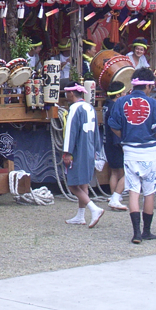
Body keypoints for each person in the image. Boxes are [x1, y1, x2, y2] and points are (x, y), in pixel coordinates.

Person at [108, 68, 156, 244]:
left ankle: (136, 232)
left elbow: (113, 125)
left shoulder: (121, 102)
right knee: (149, 192)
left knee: (133, 190)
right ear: (147, 86)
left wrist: (124, 136)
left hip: (130, 150)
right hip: (149, 150)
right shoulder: (153, 103)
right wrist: (152, 137)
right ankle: (147, 231)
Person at [61, 83, 105, 228]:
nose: (66, 95)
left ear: (72, 94)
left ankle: (94, 209)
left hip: (78, 150)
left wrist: (67, 152)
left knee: (73, 184)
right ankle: (80, 216)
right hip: (90, 149)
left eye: (67, 93)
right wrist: (96, 150)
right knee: (83, 183)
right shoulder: (90, 107)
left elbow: (70, 132)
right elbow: (96, 131)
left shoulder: (74, 108)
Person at [103, 81, 129, 211]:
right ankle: (115, 196)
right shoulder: (115, 107)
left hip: (107, 141)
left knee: (114, 170)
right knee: (126, 171)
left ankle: (114, 195)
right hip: (115, 141)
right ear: (118, 95)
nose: (125, 94)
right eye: (124, 92)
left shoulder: (106, 105)